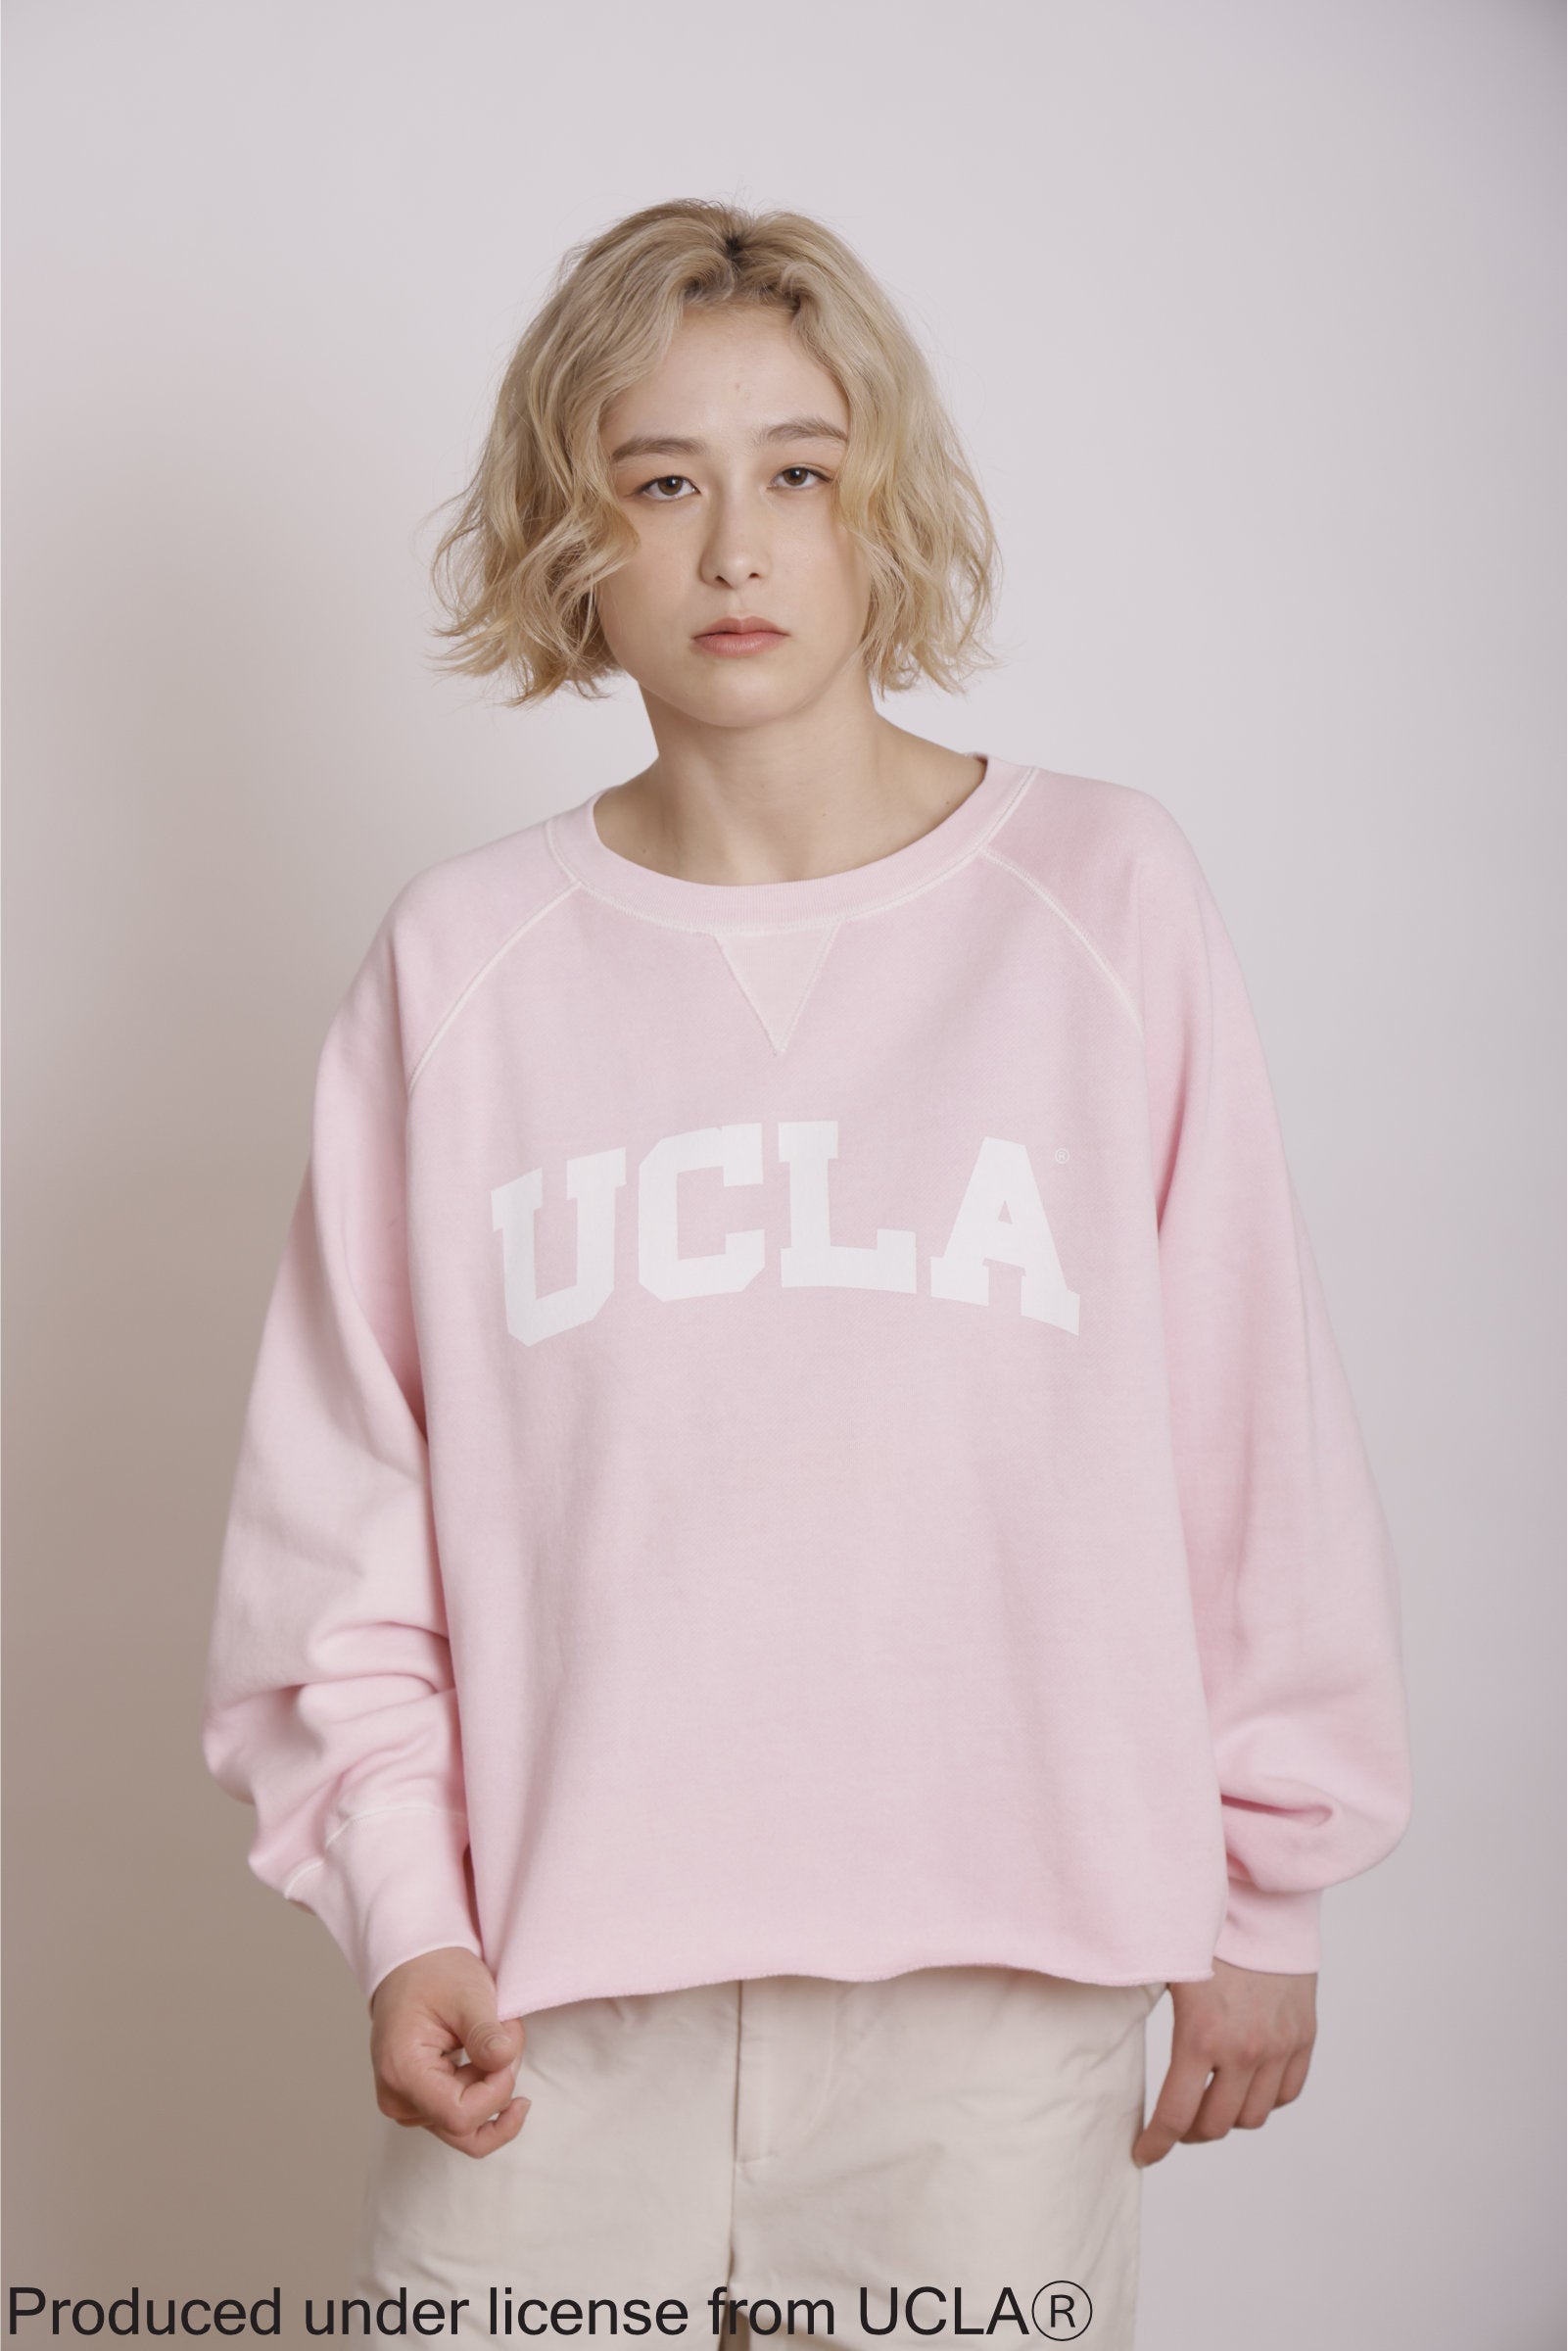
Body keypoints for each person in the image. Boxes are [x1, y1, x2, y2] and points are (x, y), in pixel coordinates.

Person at [200, 198, 1413, 2350]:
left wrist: (1264, 1894)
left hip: (993, 2009)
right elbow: (341, 1523)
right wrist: (402, 1907)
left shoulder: (1100, 900)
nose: (737, 548)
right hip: (550, 2020)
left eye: (800, 473)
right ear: (572, 535)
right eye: (661, 483)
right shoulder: (462, 969)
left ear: (885, 505)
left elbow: (1248, 1437)